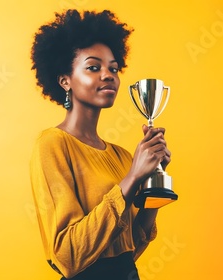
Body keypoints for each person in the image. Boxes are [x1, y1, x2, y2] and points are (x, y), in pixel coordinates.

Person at [30, 9, 171, 280]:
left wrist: (154, 177)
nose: (108, 75)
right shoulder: (53, 144)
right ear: (65, 80)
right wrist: (132, 178)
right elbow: (68, 257)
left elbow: (132, 247)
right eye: (93, 67)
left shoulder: (121, 155)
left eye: (114, 68)